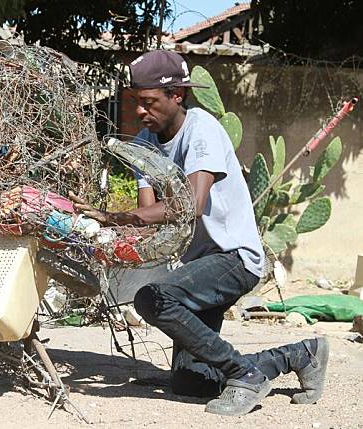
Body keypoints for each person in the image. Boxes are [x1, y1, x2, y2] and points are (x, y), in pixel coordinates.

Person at [69, 50, 329, 416]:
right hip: (199, 263)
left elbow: (190, 205)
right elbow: (148, 212)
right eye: (136, 103)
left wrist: (113, 217)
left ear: (177, 95)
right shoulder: (146, 142)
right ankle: (300, 354)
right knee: (191, 383)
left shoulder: (201, 129)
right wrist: (99, 231)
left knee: (153, 299)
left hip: (233, 257)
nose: (141, 112)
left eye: (148, 102)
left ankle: (247, 375)